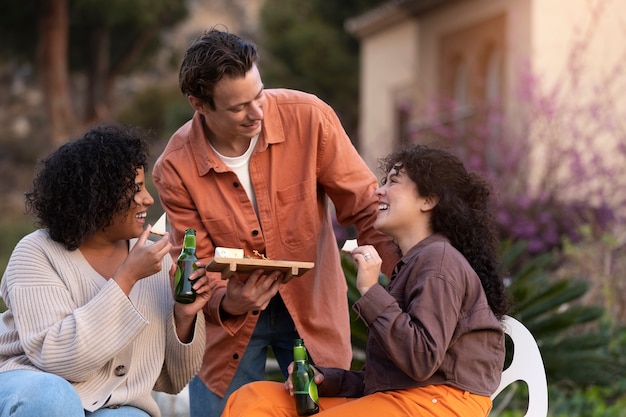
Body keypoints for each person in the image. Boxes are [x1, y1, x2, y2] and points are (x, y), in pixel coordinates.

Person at [152, 28, 401, 416]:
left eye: (259, 95)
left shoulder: (310, 117)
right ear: (199, 104)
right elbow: (193, 262)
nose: (257, 113)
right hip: (229, 325)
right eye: (238, 108)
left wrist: (407, 276)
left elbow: (367, 206)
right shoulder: (175, 168)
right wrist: (226, 301)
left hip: (312, 307)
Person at [221, 144, 511, 417]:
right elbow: (390, 377)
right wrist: (330, 379)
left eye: (393, 182)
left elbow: (421, 360)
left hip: (439, 403)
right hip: (402, 397)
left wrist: (371, 290)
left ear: (429, 199)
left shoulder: (439, 261)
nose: (378, 192)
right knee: (253, 399)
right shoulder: (415, 263)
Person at [0, 124, 209, 417]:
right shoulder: (36, 252)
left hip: (112, 401)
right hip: (29, 383)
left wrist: (183, 315)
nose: (148, 199)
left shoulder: (156, 260)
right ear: (96, 198)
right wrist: (126, 278)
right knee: (54, 398)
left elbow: (171, 380)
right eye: (135, 190)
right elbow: (55, 361)